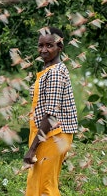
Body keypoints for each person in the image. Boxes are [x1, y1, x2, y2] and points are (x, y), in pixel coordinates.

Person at [24, 26, 78, 196]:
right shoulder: (48, 71)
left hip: (53, 135)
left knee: (46, 187)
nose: (44, 50)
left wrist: (32, 149)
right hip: (46, 135)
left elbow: (51, 114)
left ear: (60, 47)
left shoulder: (55, 73)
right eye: (41, 46)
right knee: (37, 184)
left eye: (49, 46)